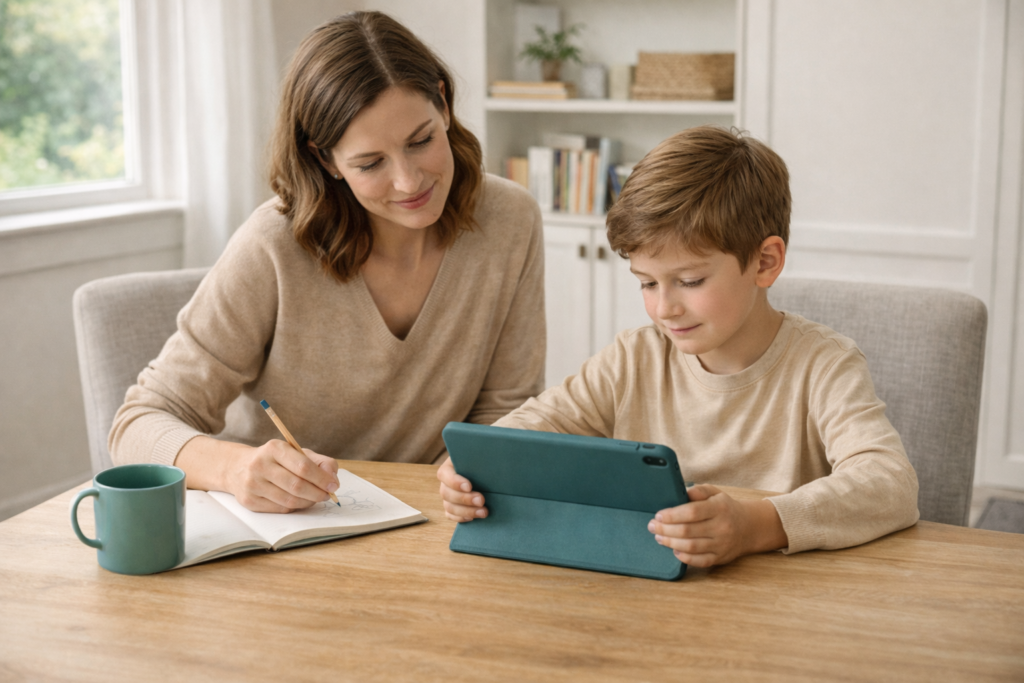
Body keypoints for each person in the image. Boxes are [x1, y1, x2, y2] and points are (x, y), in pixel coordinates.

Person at [110, 11, 545, 513]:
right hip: (288, 525)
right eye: (370, 163)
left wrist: (472, 473)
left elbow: (506, 409)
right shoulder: (272, 245)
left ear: (444, 104)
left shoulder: (510, 220)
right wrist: (235, 469)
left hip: (433, 519)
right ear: (325, 159)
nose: (409, 181)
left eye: (421, 140)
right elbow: (136, 425)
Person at [438, 125, 919, 568]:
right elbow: (528, 429)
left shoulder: (824, 364)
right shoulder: (633, 358)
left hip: (779, 601)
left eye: (689, 281)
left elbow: (889, 483)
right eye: (647, 283)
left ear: (765, 262)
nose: (664, 308)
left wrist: (755, 525)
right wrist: (471, 469)